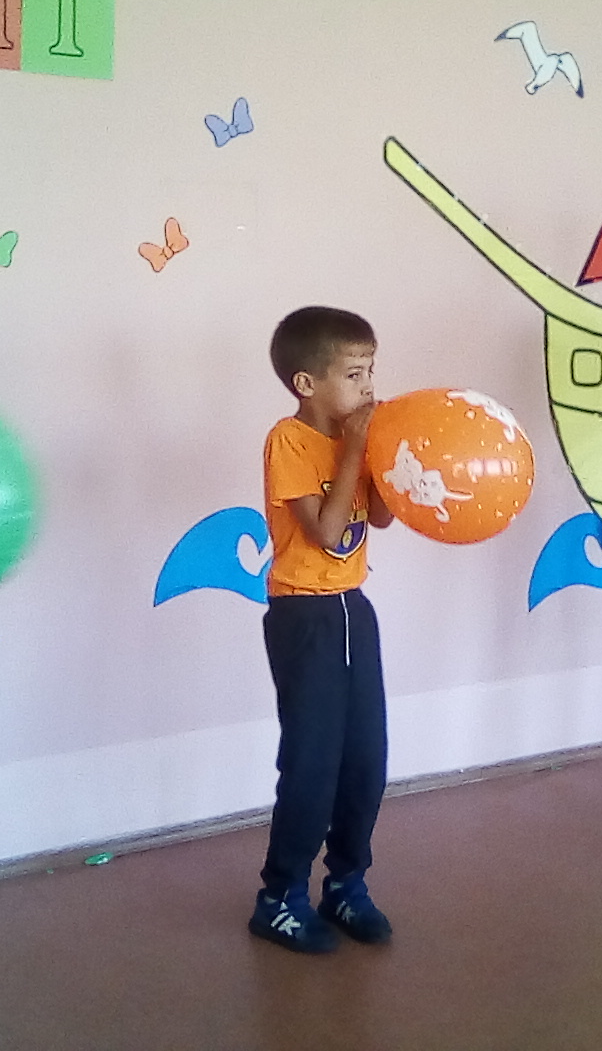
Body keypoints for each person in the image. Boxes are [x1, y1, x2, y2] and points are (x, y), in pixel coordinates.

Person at [249, 306, 395, 953]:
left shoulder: (354, 442)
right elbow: (328, 534)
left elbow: (381, 517)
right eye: (354, 375)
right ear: (307, 384)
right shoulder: (290, 440)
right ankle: (279, 897)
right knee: (312, 763)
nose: (368, 388)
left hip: (352, 609)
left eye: (371, 373)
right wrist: (357, 449)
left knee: (366, 759)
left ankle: (345, 883)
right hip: (303, 616)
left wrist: (390, 456)